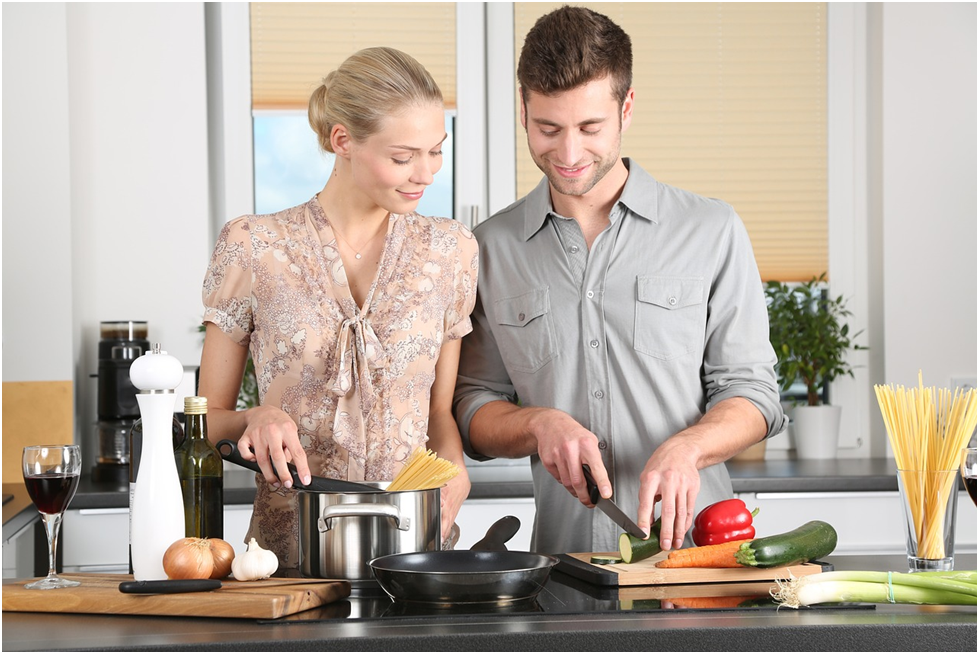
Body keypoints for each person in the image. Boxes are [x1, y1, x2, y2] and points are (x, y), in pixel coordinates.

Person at [453, 6, 786, 556]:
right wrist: (538, 423)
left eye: (589, 128)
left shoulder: (710, 229)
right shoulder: (489, 248)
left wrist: (690, 447)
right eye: (548, 128)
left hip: (700, 565)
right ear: (523, 112)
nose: (568, 154)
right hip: (563, 573)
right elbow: (473, 405)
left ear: (626, 108)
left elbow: (753, 393)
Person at [198, 46, 478, 569]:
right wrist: (255, 417)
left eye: (436, 151)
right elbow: (202, 424)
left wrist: (455, 468)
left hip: (413, 554)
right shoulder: (254, 246)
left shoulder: (452, 250)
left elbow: (439, 413)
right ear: (342, 140)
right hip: (286, 560)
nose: (426, 173)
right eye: (402, 157)